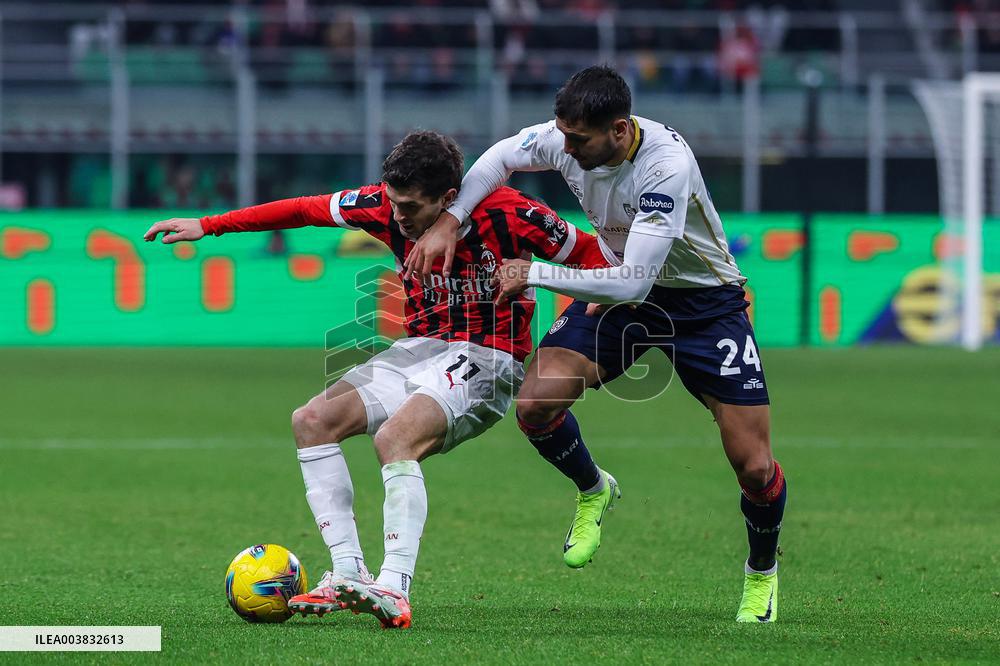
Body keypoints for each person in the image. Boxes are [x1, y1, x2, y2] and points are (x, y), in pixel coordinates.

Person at [143, 131, 607, 630]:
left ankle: (394, 586)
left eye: (410, 206)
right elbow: (303, 210)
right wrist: (207, 225)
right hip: (420, 348)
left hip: (490, 357)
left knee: (395, 439)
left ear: (449, 199)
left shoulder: (511, 213)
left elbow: (592, 257)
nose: (398, 216)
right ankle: (348, 573)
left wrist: (544, 280)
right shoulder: (382, 207)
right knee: (312, 420)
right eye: (393, 202)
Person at [404, 66, 786, 623]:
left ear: (620, 128)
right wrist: (452, 220)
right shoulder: (566, 140)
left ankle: (761, 576)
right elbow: (500, 159)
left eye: (580, 139)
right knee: (535, 406)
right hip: (624, 296)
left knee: (753, 466)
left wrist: (535, 273)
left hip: (703, 305)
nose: (567, 147)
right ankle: (594, 488)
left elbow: (636, 278)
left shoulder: (664, 167)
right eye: (564, 133)